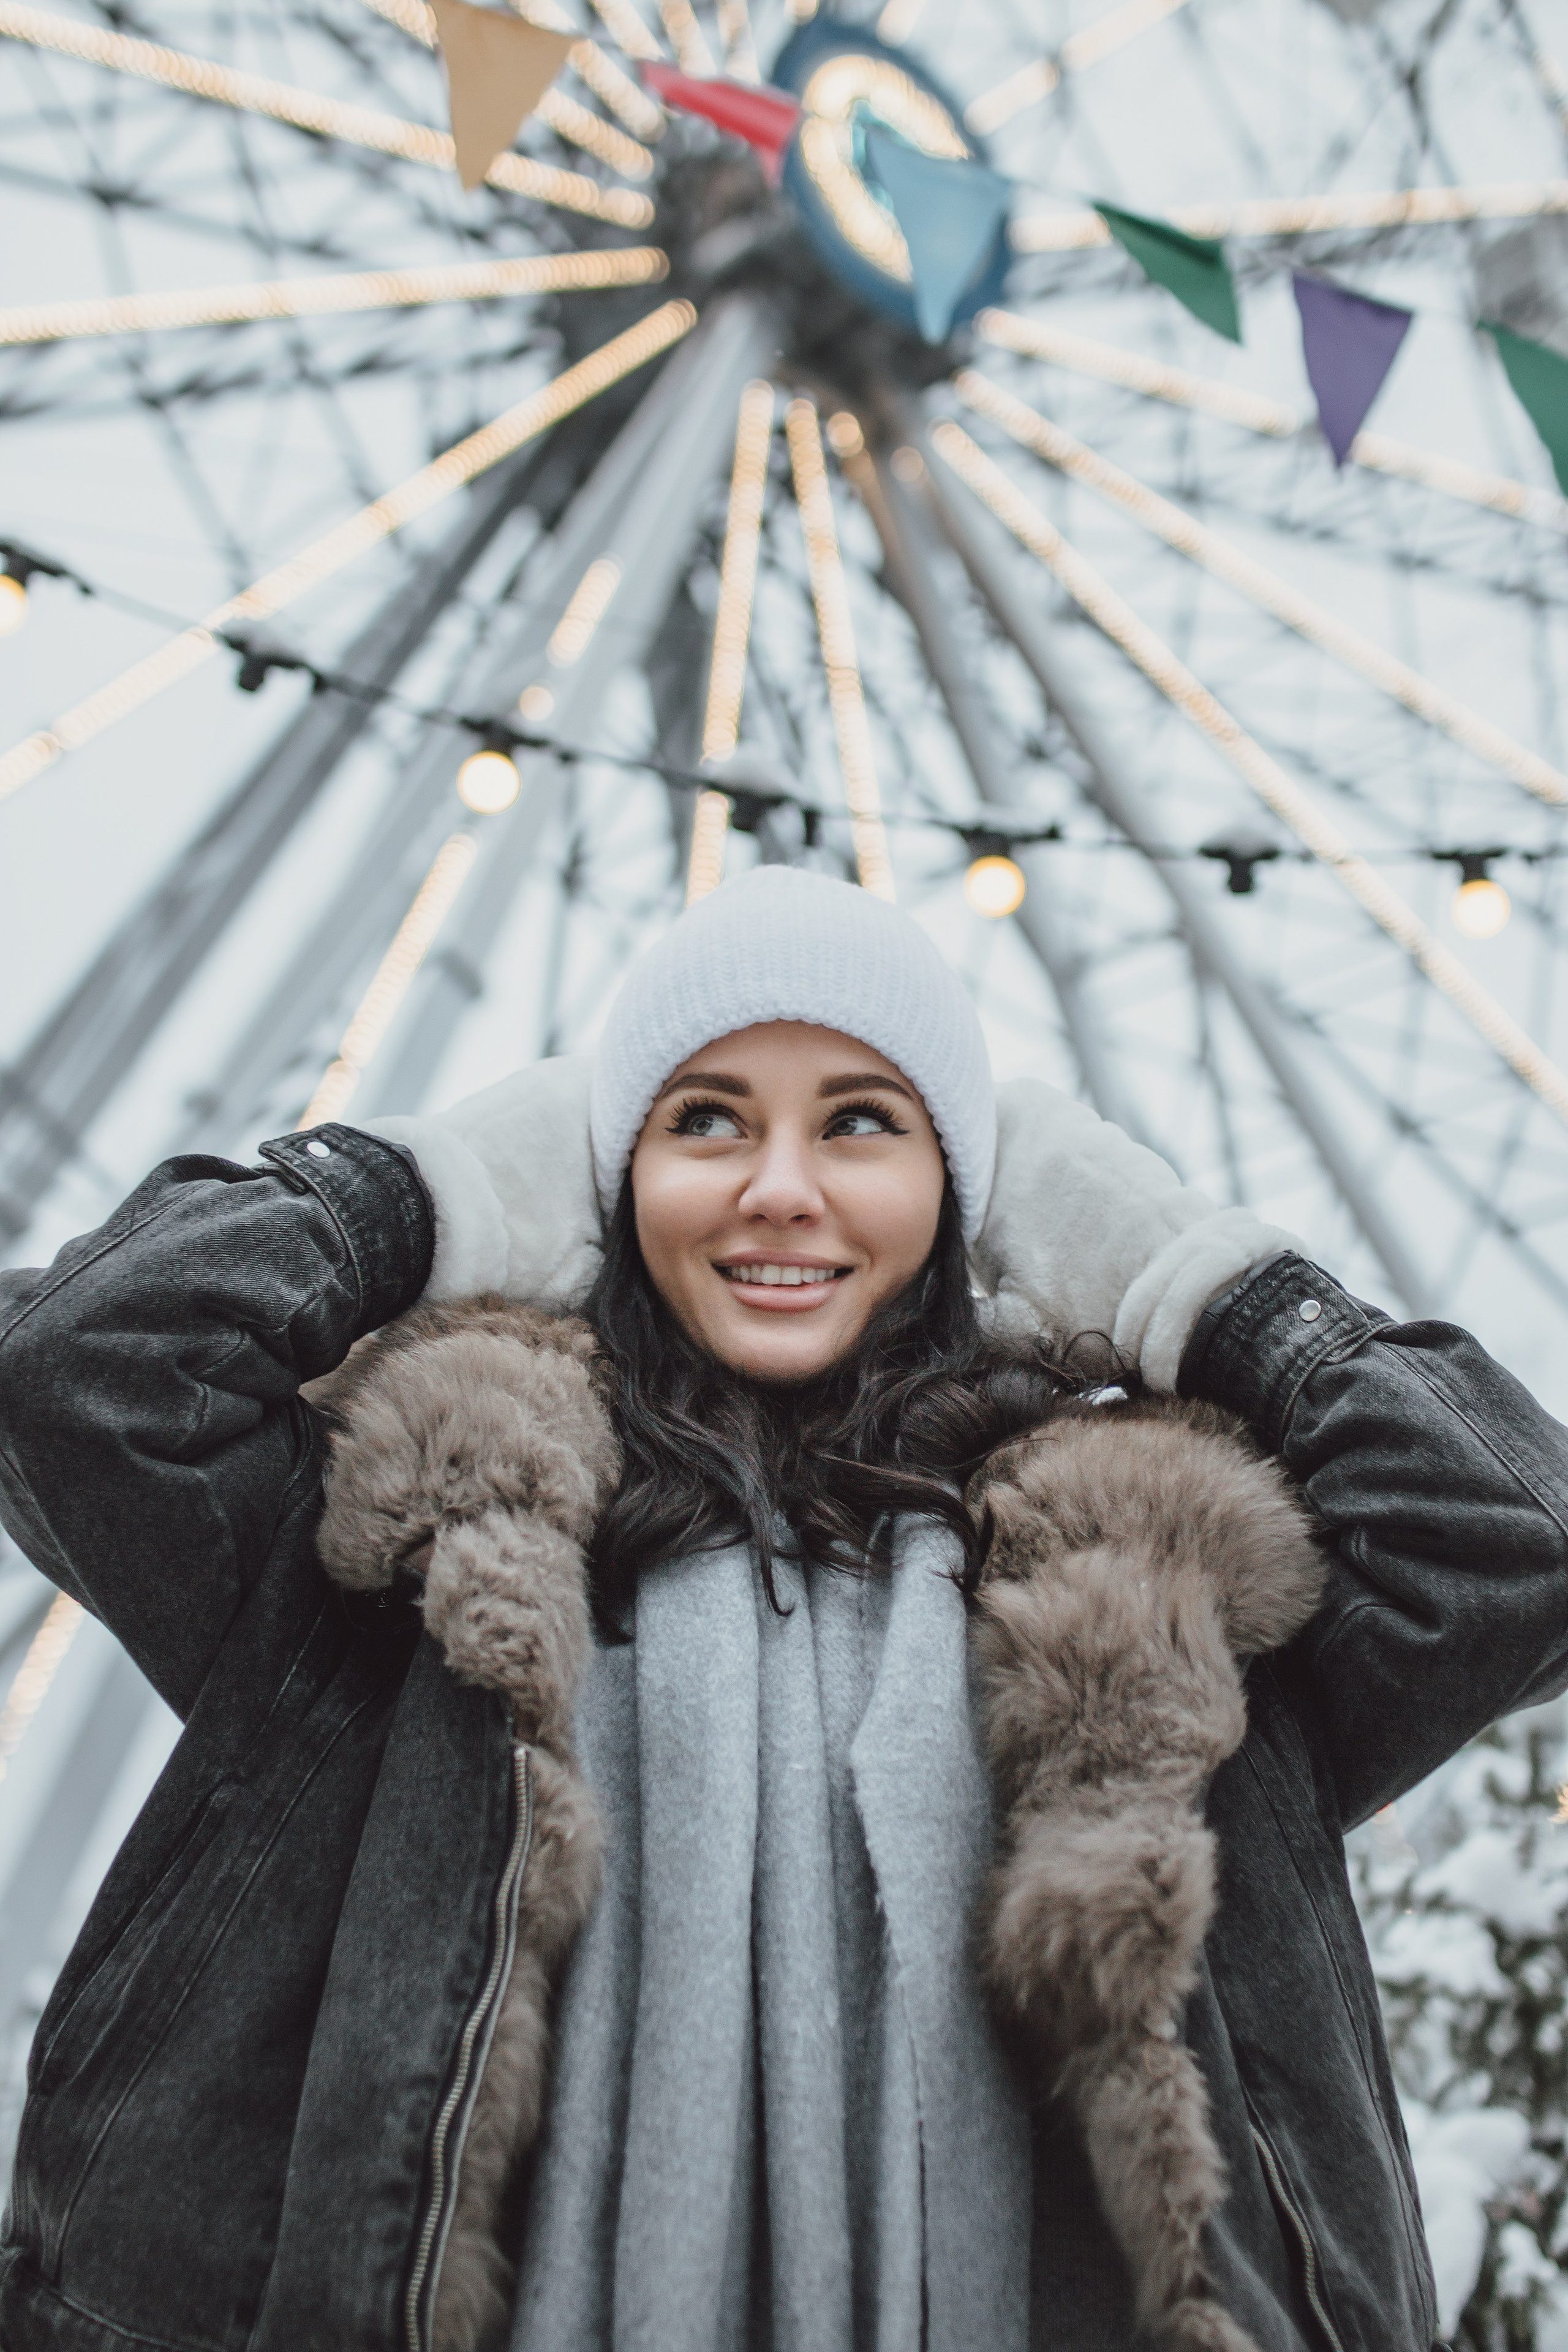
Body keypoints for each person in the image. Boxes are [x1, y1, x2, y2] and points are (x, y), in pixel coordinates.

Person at [0, 864, 1564, 2352]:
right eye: (702, 1122)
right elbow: (79, 1378)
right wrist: (444, 1183)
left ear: (960, 1190)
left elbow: (1512, 1546)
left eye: (864, 1124)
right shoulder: (405, 1549)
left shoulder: (1158, 1593)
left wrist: (1185, 1274)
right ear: (612, 1180)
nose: (779, 1190)